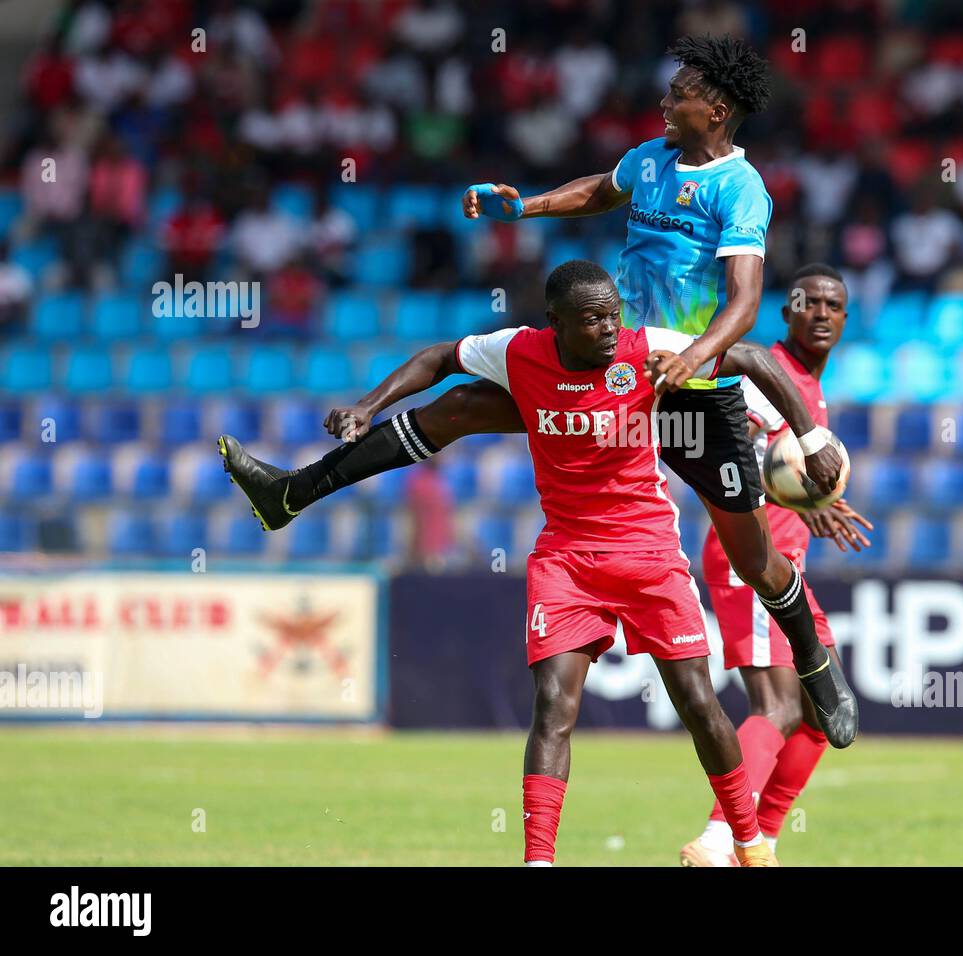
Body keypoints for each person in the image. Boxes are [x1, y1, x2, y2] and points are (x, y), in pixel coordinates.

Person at [220, 34, 859, 747]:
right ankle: (292, 493)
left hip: (694, 387)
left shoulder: (739, 189)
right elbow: (601, 190)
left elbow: (743, 304)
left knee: (752, 559)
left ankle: (813, 660)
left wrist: (701, 364)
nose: (663, 101)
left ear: (715, 110)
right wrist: (525, 208)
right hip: (618, 373)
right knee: (462, 406)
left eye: (678, 93)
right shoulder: (650, 159)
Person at [220, 260, 837, 865]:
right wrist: (367, 404)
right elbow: (438, 357)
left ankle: (748, 843)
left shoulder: (646, 348)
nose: (609, 329)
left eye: (613, 316)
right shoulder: (519, 351)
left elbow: (752, 359)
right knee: (553, 708)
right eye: (593, 320)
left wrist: (808, 438)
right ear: (556, 324)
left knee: (700, 704)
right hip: (566, 559)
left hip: (648, 553)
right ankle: (538, 862)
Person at [683, 263, 872, 866]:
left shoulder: (809, 386)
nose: (821, 313)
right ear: (786, 311)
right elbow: (727, 453)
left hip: (786, 563)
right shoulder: (767, 374)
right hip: (753, 559)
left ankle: (759, 842)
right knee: (779, 706)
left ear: (846, 318)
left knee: (822, 713)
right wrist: (787, 497)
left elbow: (781, 462)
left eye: (833, 305)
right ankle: (721, 838)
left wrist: (812, 500)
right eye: (808, 302)